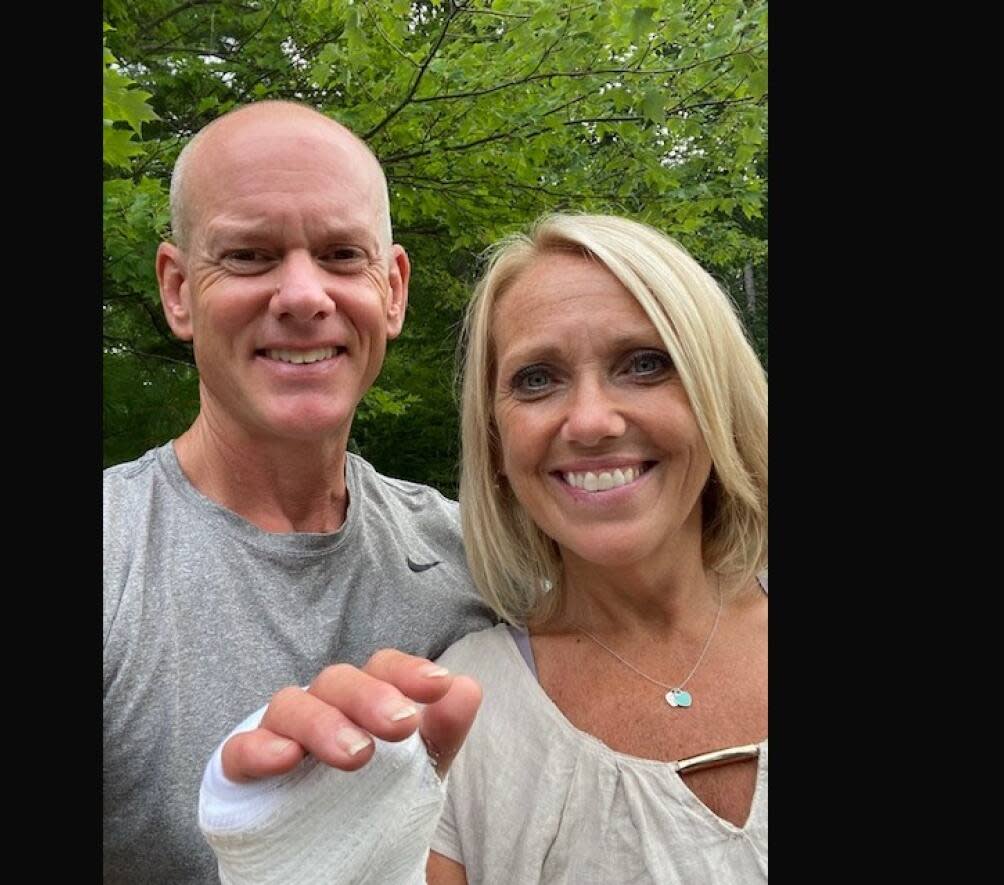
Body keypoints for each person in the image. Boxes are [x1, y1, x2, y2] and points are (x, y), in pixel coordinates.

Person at [199, 213, 768, 883]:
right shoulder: (457, 724)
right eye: (536, 379)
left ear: (717, 394)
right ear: (497, 440)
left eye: (645, 364)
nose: (589, 421)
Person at [103, 100, 494, 884]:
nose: (304, 294)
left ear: (393, 288)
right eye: (248, 256)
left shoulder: (475, 566)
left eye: (343, 254)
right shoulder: (111, 558)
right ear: (178, 290)